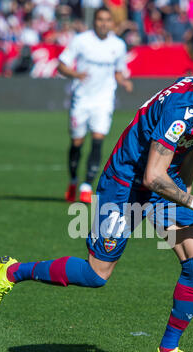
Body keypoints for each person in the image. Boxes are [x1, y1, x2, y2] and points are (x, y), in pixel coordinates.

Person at [0, 50, 193, 352]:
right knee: (96, 275)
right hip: (125, 185)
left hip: (165, 180)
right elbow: (152, 177)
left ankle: (168, 349)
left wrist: (186, 192)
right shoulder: (184, 108)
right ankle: (12, 271)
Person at [57, 6, 133, 204]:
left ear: (112, 23)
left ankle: (86, 186)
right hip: (82, 99)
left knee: (98, 139)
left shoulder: (118, 45)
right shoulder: (81, 41)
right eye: (100, 19)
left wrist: (124, 81)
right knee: (77, 142)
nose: (104, 23)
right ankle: (73, 180)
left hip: (103, 100)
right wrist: (76, 74)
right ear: (94, 21)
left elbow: (118, 71)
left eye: (107, 20)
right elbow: (61, 64)